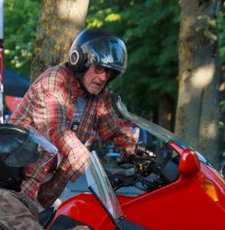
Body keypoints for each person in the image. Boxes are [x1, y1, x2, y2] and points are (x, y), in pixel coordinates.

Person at [9, 28, 137, 208]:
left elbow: (113, 128)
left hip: (48, 187)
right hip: (16, 178)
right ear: (81, 62)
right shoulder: (55, 81)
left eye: (109, 73)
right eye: (99, 69)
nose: (103, 78)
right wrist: (93, 165)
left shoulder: (99, 95)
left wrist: (134, 150)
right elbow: (56, 130)